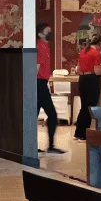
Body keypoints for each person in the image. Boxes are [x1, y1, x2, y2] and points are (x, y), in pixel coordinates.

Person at [36, 24, 64, 154]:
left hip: (41, 82)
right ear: (40, 34)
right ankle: (51, 146)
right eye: (47, 31)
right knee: (52, 115)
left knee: (33, 115)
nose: (50, 33)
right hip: (39, 83)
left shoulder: (45, 46)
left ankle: (31, 146)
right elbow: (36, 66)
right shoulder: (40, 46)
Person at [73, 36, 101, 141]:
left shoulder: (83, 51)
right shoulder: (96, 54)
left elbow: (78, 69)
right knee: (90, 107)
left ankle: (79, 132)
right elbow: (97, 71)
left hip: (82, 79)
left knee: (84, 107)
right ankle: (84, 135)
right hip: (92, 80)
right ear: (100, 44)